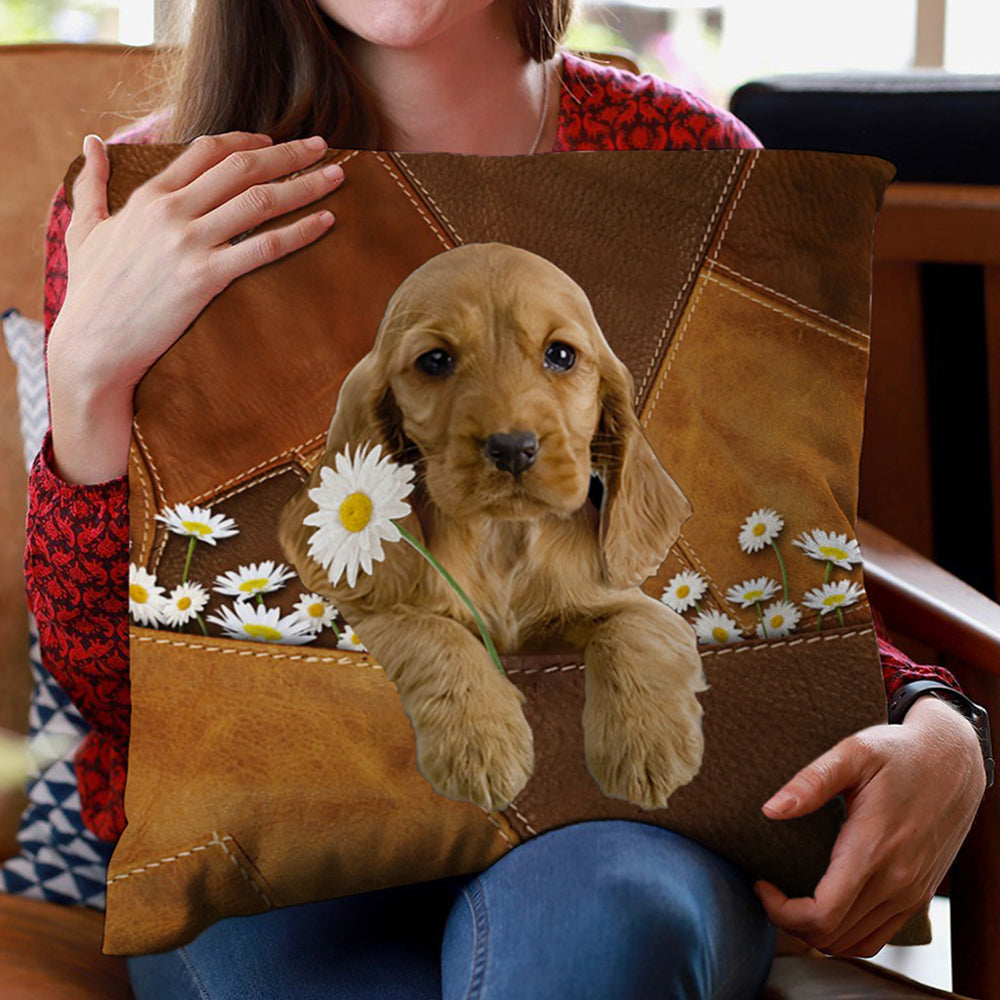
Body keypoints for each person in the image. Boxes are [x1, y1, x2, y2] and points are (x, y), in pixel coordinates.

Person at [24, 1, 988, 997]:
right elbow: (107, 682)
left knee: (604, 921)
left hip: (613, 823)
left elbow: (751, 562)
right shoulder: (156, 203)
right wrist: (89, 382)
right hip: (273, 816)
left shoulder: (690, 165)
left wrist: (935, 714)